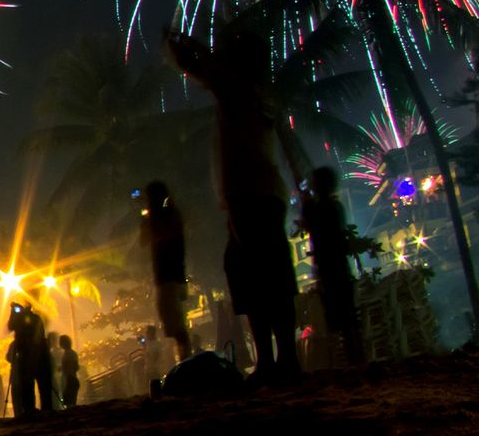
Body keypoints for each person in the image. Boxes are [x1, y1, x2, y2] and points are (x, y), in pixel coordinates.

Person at [168, 27, 299, 384]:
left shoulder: (237, 91)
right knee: (270, 274)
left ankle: (273, 363)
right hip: (265, 194)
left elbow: (206, 68)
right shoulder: (260, 94)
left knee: (253, 276)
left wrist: (183, 47)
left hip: (249, 196)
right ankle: (282, 358)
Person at [301, 167, 365, 368]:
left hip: (330, 269)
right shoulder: (334, 207)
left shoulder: (321, 209)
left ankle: (349, 361)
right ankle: (356, 359)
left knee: (338, 318)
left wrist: (306, 206)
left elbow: (312, 225)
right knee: (347, 317)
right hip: (339, 267)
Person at [142, 181, 193, 360]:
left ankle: (186, 361)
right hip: (168, 277)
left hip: (170, 276)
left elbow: (152, 239)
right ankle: (185, 359)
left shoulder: (167, 216)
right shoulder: (166, 216)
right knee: (172, 323)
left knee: (175, 324)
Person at [59, 335, 80, 408]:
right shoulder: (73, 353)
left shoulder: (67, 354)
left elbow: (72, 367)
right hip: (72, 379)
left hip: (70, 380)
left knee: (69, 403)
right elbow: (76, 367)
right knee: (71, 402)